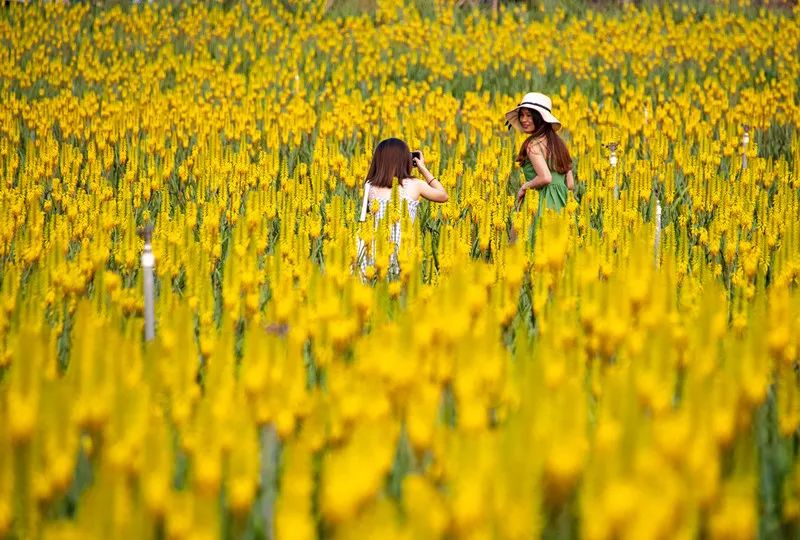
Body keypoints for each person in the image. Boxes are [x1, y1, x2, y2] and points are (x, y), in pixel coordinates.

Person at [356, 138, 448, 276]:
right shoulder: (415, 184)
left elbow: (363, 219)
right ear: (406, 161)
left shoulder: (369, 184)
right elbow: (443, 195)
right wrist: (423, 169)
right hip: (402, 248)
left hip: (370, 246)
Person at [504, 92, 574, 212]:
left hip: (538, 205)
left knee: (522, 231)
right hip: (562, 207)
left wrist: (524, 187)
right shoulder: (559, 144)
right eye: (522, 115)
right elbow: (570, 184)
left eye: (529, 115)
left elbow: (545, 177)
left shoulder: (533, 145)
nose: (523, 120)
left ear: (540, 118)